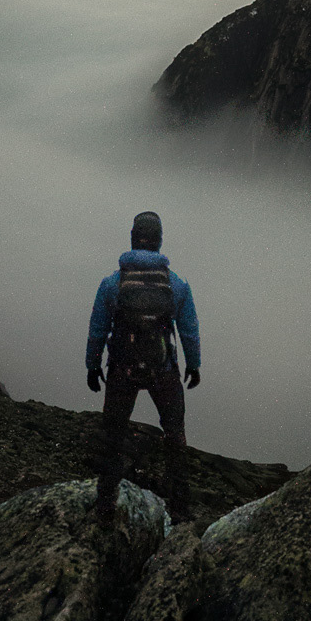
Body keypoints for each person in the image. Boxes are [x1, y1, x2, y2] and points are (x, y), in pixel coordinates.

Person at [86, 209, 200, 526]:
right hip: (163, 370)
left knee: (113, 436)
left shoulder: (113, 283)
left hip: (122, 370)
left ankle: (105, 507)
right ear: (160, 242)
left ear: (133, 239)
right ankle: (181, 511)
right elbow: (189, 329)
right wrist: (194, 364)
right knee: (174, 435)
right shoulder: (176, 284)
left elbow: (98, 329)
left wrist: (92, 366)